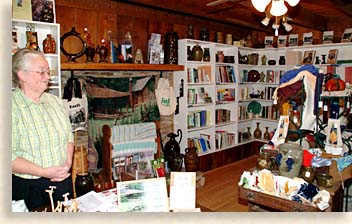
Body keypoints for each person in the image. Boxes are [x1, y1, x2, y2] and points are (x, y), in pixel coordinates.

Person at [12, 48, 74, 211]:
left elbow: (69, 136)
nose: (47, 77)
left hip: (62, 181)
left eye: (48, 71)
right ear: (22, 74)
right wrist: (44, 171)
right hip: (30, 188)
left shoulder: (55, 101)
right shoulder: (10, 106)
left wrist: (67, 163)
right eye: (41, 72)